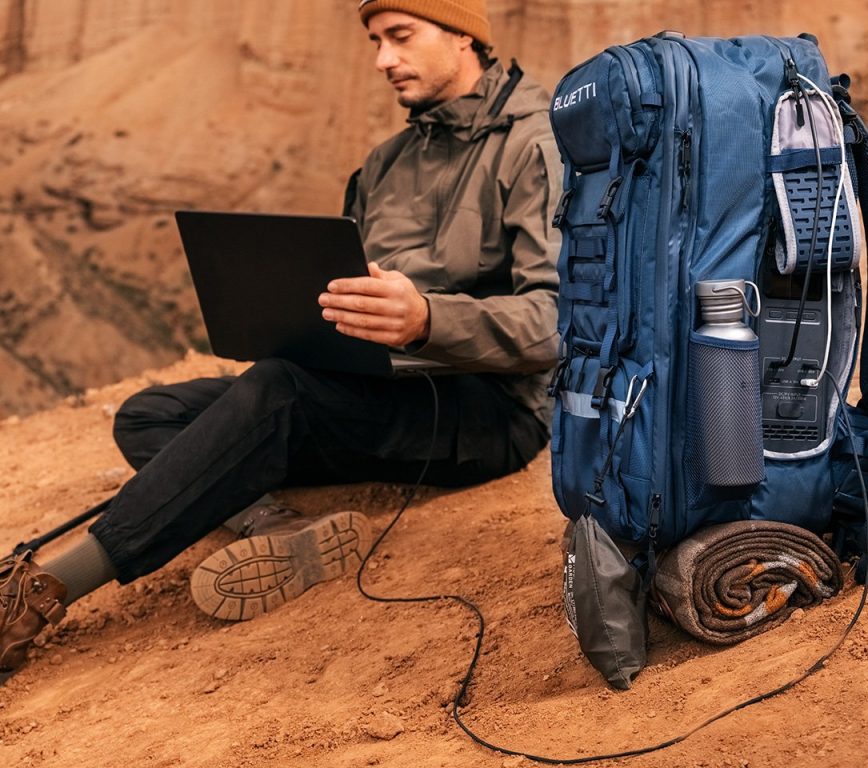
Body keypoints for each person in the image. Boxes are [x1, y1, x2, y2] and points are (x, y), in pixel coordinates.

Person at [0, 0, 561, 680]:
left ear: (464, 36)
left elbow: (556, 323)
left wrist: (428, 320)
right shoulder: (388, 160)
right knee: (152, 415)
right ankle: (280, 531)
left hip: (488, 408)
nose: (383, 59)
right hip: (379, 385)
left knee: (276, 393)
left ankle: (42, 594)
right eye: (375, 41)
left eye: (400, 37)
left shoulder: (536, 145)